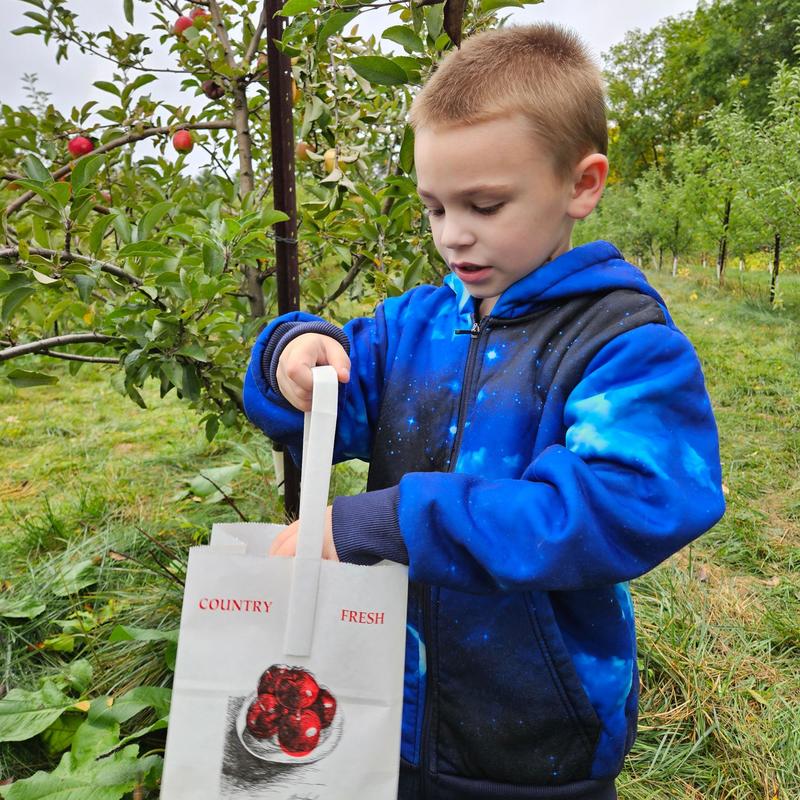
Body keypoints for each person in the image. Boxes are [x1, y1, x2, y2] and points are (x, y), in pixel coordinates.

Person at [242, 23, 725, 800]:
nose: (453, 235)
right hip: (385, 704)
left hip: (533, 736)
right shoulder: (415, 326)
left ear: (582, 183)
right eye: (434, 208)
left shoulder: (622, 345)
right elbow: (319, 406)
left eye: (485, 204)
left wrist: (396, 521)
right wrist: (293, 358)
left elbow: (631, 501)